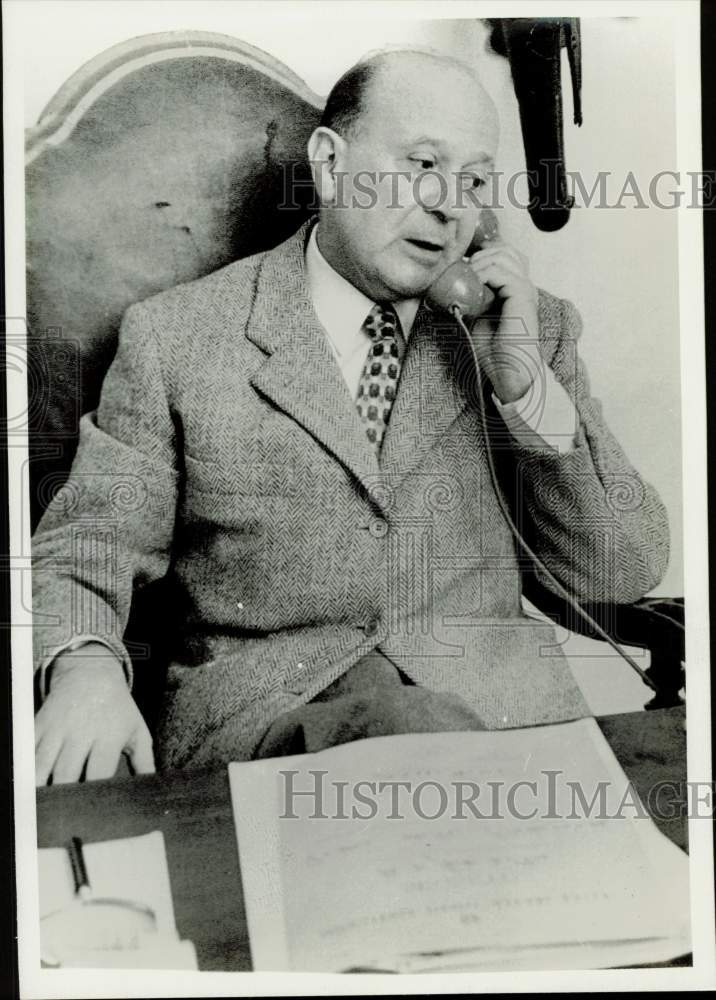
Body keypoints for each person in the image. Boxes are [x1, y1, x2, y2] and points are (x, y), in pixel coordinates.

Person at [32, 49, 669, 784]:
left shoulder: (522, 331)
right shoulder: (176, 338)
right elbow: (86, 549)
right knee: (402, 737)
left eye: (474, 181)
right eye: (422, 164)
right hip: (268, 735)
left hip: (502, 737)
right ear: (332, 165)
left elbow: (621, 569)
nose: (449, 205)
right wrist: (85, 671)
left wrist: (524, 392)